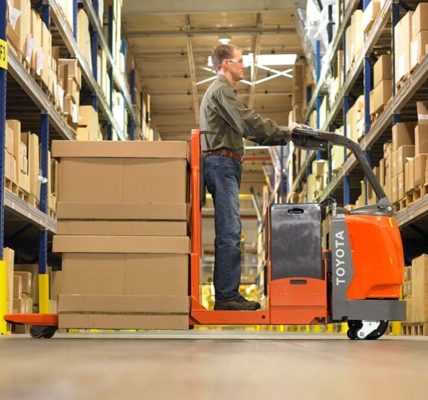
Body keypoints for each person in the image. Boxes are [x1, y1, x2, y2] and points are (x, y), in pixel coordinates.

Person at [200, 43, 300, 311]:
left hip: (224, 164)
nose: (244, 65)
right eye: (240, 60)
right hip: (221, 164)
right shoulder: (221, 90)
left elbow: (247, 127)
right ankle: (226, 297)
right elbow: (247, 121)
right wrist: (285, 132)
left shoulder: (222, 91)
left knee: (230, 229)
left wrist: (281, 136)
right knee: (230, 230)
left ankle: (226, 294)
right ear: (225, 64)